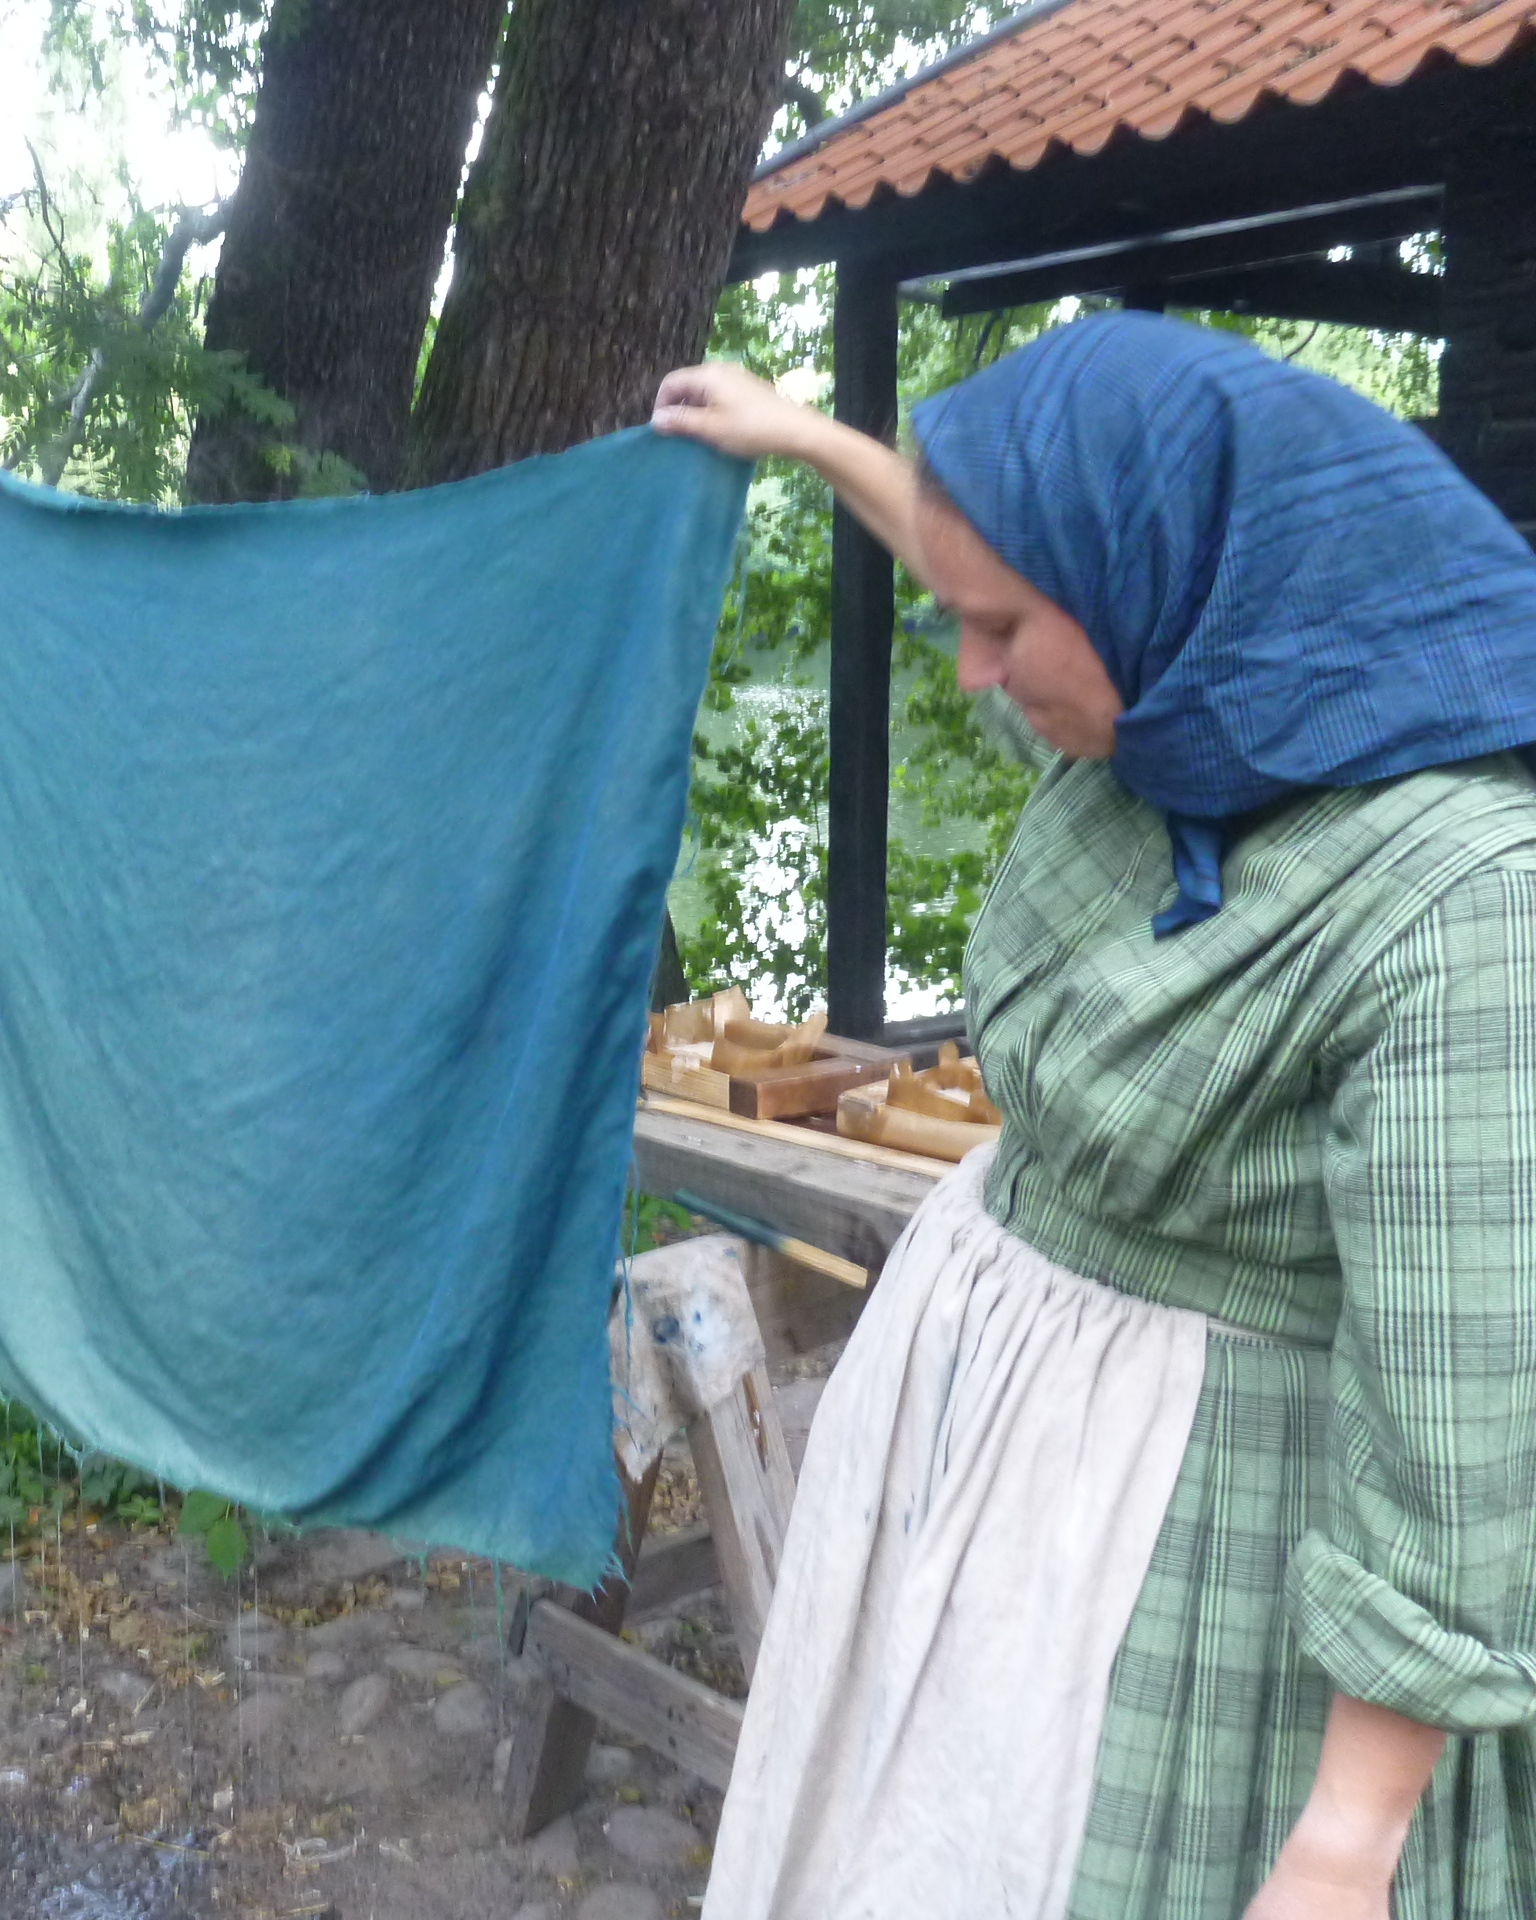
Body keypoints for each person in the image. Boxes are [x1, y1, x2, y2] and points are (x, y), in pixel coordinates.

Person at [653, 314, 1536, 1920]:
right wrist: (805, 437)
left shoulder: (1462, 904)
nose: (973, 670)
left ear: (1154, 585)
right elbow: (993, 574)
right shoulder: (1182, 718)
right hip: (987, 1466)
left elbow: (1457, 1420)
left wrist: (1349, 1838)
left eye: (998, 628)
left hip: (1180, 1561)